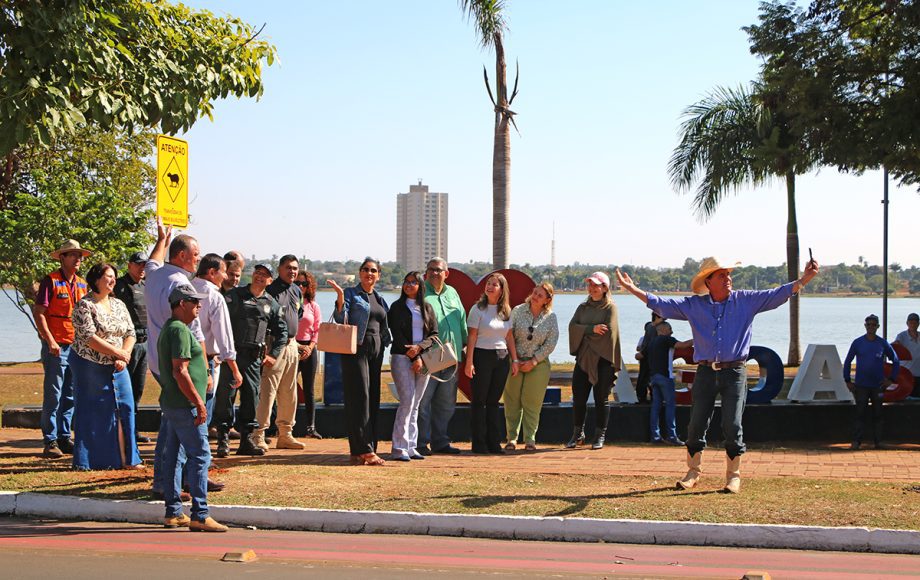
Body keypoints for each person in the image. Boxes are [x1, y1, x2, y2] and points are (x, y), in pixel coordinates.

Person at [616, 255, 819, 494]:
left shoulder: (746, 301)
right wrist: (631, 288)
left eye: (728, 274)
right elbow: (661, 303)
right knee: (695, 425)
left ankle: (733, 476)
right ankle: (693, 472)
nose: (728, 278)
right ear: (708, 282)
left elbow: (777, 294)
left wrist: (805, 278)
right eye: (721, 275)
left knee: (732, 425)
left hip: (734, 372)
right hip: (704, 372)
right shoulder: (694, 306)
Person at [144, 221, 216, 498]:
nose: (198, 258)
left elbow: (152, 260)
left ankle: (166, 481)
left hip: (158, 359)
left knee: (171, 423)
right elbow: (194, 328)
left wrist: (162, 238)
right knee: (182, 424)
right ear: (183, 256)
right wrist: (207, 368)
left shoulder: (156, 275)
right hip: (179, 362)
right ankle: (172, 481)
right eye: (196, 254)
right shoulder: (179, 283)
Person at [158, 283, 228, 532]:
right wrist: (199, 403)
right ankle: (200, 513)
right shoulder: (178, 331)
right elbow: (180, 370)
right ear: (181, 304)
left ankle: (174, 512)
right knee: (200, 455)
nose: (199, 306)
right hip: (185, 404)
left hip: (175, 403)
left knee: (175, 457)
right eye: (194, 302)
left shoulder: (174, 328)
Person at [70, 263, 142, 470]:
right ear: (96, 279)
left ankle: (129, 459)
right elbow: (88, 337)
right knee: (95, 410)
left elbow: (131, 332)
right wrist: (116, 353)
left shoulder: (119, 304)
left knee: (126, 407)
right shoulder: (84, 305)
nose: (112, 280)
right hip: (90, 365)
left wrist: (124, 354)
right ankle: (92, 460)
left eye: (114, 277)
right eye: (108, 277)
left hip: (119, 364)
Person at [214, 263, 287, 456]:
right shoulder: (235, 296)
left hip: (254, 359)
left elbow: (282, 331)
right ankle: (223, 440)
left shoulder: (271, 303)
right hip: (232, 357)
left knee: (251, 400)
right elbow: (219, 321)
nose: (260, 277)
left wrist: (273, 354)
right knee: (225, 398)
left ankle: (246, 441)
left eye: (265, 275)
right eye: (257, 273)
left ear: (270, 281)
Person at [329, 258, 391, 466]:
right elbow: (341, 317)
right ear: (359, 273)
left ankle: (362, 448)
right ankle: (364, 449)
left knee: (372, 397)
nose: (369, 273)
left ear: (378, 275)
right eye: (365, 269)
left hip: (376, 350)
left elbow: (384, 324)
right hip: (356, 349)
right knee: (359, 398)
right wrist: (339, 297)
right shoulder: (350, 294)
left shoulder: (380, 299)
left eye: (373, 270)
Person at [35, 239, 91, 458]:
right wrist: (50, 341)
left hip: (76, 346)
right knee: (53, 393)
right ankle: (50, 440)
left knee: (70, 394)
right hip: (56, 346)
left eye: (79, 255)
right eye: (72, 255)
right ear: (62, 257)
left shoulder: (83, 284)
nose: (78, 259)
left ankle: (64, 436)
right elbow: (39, 312)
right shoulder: (50, 281)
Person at [566, 272, 621, 451]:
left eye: (596, 285)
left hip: (603, 359)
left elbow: (609, 332)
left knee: (601, 398)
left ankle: (600, 435)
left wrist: (584, 333)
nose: (592, 288)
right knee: (579, 398)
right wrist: (591, 329)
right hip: (583, 358)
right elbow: (572, 327)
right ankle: (577, 433)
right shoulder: (582, 307)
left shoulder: (610, 308)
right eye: (590, 285)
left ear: (605, 288)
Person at [256, 255, 306, 451]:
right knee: (267, 392)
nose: (292, 271)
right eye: (288, 268)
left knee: (289, 392)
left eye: (294, 268)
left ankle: (285, 434)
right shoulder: (271, 290)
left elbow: (298, 315)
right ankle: (258, 434)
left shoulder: (296, 290)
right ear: (279, 269)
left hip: (292, 345)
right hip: (273, 345)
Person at [418, 257, 467, 456]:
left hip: (451, 355)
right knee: (423, 402)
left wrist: (464, 345)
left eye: (438, 270)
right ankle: (420, 442)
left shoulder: (452, 293)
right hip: (429, 356)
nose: (434, 273)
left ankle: (440, 441)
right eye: (431, 269)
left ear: (446, 273)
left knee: (446, 403)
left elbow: (462, 319)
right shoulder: (420, 294)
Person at [191, 254, 243, 441]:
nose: (226, 277)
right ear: (212, 273)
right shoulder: (215, 296)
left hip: (181, 359)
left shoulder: (185, 288)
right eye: (223, 272)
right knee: (204, 410)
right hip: (206, 361)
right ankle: (200, 455)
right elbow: (224, 336)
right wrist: (235, 369)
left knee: (187, 410)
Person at [388, 271, 438, 461]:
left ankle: (410, 446)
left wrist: (419, 350)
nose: (409, 285)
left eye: (413, 282)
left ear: (420, 286)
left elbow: (434, 334)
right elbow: (397, 335)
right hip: (402, 358)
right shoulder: (396, 307)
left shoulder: (427, 307)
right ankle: (398, 448)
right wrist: (413, 355)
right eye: (406, 282)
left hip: (424, 359)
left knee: (416, 404)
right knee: (407, 401)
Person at [465, 273, 518, 454]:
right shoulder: (477, 309)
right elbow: (471, 336)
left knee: (494, 402)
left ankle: (494, 443)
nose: (489, 286)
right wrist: (469, 362)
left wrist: (515, 360)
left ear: (502, 289)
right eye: (488, 283)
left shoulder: (506, 311)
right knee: (479, 402)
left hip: (501, 358)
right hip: (481, 356)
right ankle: (479, 444)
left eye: (494, 284)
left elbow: (509, 337)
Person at [504, 282, 559, 451]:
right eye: (535, 293)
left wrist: (534, 361)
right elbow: (509, 334)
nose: (535, 297)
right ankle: (511, 438)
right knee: (512, 400)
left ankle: (530, 439)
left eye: (540, 295)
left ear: (547, 300)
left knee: (532, 402)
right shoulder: (518, 310)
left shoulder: (550, 317)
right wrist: (515, 360)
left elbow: (551, 342)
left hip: (538, 364)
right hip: (515, 361)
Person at [844, 314, 900, 450]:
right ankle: (856, 441)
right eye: (868, 324)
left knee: (878, 414)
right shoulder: (857, 342)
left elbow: (896, 360)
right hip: (861, 385)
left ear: (878, 327)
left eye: (873, 325)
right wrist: (847, 380)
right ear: (865, 326)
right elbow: (847, 362)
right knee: (859, 414)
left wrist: (891, 379)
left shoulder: (882, 343)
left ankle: (878, 442)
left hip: (878, 386)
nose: (871, 327)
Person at [113, 251, 150, 443]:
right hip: (129, 344)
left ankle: (133, 431)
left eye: (145, 264)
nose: (142, 268)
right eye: (138, 264)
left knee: (138, 389)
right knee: (124, 388)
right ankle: (121, 431)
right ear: (129, 265)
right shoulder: (120, 285)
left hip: (145, 343)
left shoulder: (145, 285)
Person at [646, 322, 692, 445]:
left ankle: (655, 436)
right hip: (665, 377)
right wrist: (698, 338)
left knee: (656, 407)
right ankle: (672, 436)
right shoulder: (666, 339)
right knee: (670, 405)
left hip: (654, 376)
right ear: (664, 329)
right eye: (670, 329)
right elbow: (683, 345)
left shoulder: (652, 342)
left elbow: (642, 355)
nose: (672, 332)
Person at [295, 270, 323, 439]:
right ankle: (285, 426)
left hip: (309, 349)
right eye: (297, 283)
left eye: (304, 284)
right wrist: (297, 346)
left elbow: (318, 329)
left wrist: (310, 347)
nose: (301, 286)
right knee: (288, 388)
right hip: (292, 346)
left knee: (309, 389)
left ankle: (310, 427)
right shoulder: (290, 303)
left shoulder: (313, 306)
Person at [635, 313, 665, 404]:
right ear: (657, 317)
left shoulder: (650, 326)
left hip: (649, 356)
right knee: (646, 377)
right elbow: (651, 342)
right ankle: (645, 397)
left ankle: (643, 397)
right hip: (649, 356)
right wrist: (643, 353)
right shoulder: (653, 328)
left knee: (645, 377)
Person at [892, 313, 920, 399]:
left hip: (918, 374)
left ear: (918, 324)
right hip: (906, 375)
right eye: (911, 322)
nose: (913, 324)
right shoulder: (902, 336)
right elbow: (894, 346)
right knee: (906, 398)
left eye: (915, 322)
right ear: (907, 323)